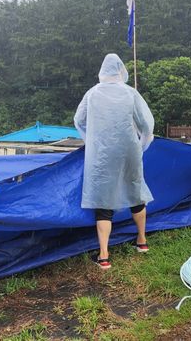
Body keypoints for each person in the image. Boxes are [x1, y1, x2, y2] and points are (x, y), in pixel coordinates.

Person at [74, 53, 155, 270]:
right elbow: (147, 124)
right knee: (135, 189)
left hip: (101, 153)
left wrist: (92, 139)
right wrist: (141, 145)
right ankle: (142, 241)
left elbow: (78, 120)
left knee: (103, 199)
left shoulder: (92, 94)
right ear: (120, 71)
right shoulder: (130, 93)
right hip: (128, 149)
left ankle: (104, 255)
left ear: (102, 71)